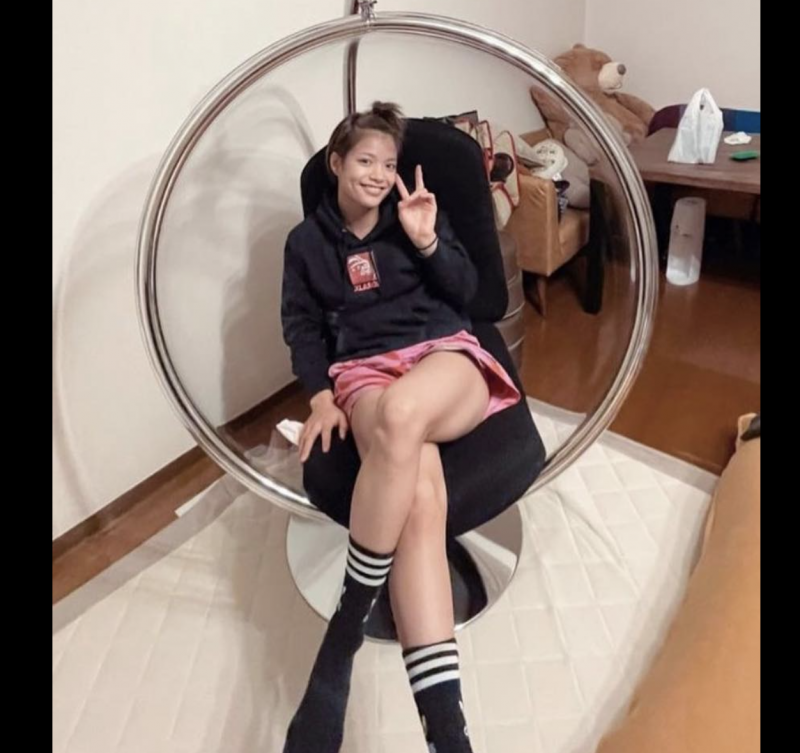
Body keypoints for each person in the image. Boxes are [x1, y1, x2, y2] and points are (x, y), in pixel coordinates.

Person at [281, 101, 520, 753]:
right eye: (365, 160)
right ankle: (448, 734)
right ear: (336, 164)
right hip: (362, 371)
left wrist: (427, 240)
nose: (379, 175)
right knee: (418, 504)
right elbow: (302, 327)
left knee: (403, 413)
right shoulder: (306, 244)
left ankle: (344, 632)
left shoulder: (413, 217)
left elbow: (471, 294)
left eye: (388, 164)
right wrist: (321, 396)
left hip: (442, 357)